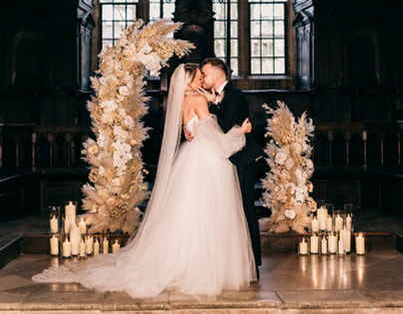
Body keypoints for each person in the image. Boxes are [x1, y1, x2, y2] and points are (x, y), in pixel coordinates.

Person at [33, 63, 257, 298]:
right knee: (207, 215)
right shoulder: (198, 100)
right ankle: (204, 267)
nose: (202, 79)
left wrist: (210, 106)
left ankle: (185, 262)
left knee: (188, 213)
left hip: (192, 158)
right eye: (199, 76)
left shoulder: (182, 100)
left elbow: (190, 129)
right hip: (207, 161)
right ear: (191, 80)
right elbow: (217, 142)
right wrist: (240, 133)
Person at [195, 58, 263, 277]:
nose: (203, 78)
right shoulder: (219, 96)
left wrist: (213, 103)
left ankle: (253, 264)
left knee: (246, 209)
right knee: (234, 212)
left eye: (205, 74)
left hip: (243, 160)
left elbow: (223, 126)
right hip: (229, 159)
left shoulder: (234, 96)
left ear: (217, 75)